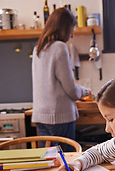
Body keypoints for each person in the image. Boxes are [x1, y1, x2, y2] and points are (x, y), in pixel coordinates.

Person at [32, 7, 90, 151]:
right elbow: (71, 89)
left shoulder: (39, 47)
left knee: (48, 162)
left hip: (41, 116)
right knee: (66, 162)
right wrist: (85, 91)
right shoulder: (59, 47)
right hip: (59, 117)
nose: (71, 35)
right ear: (64, 28)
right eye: (71, 30)